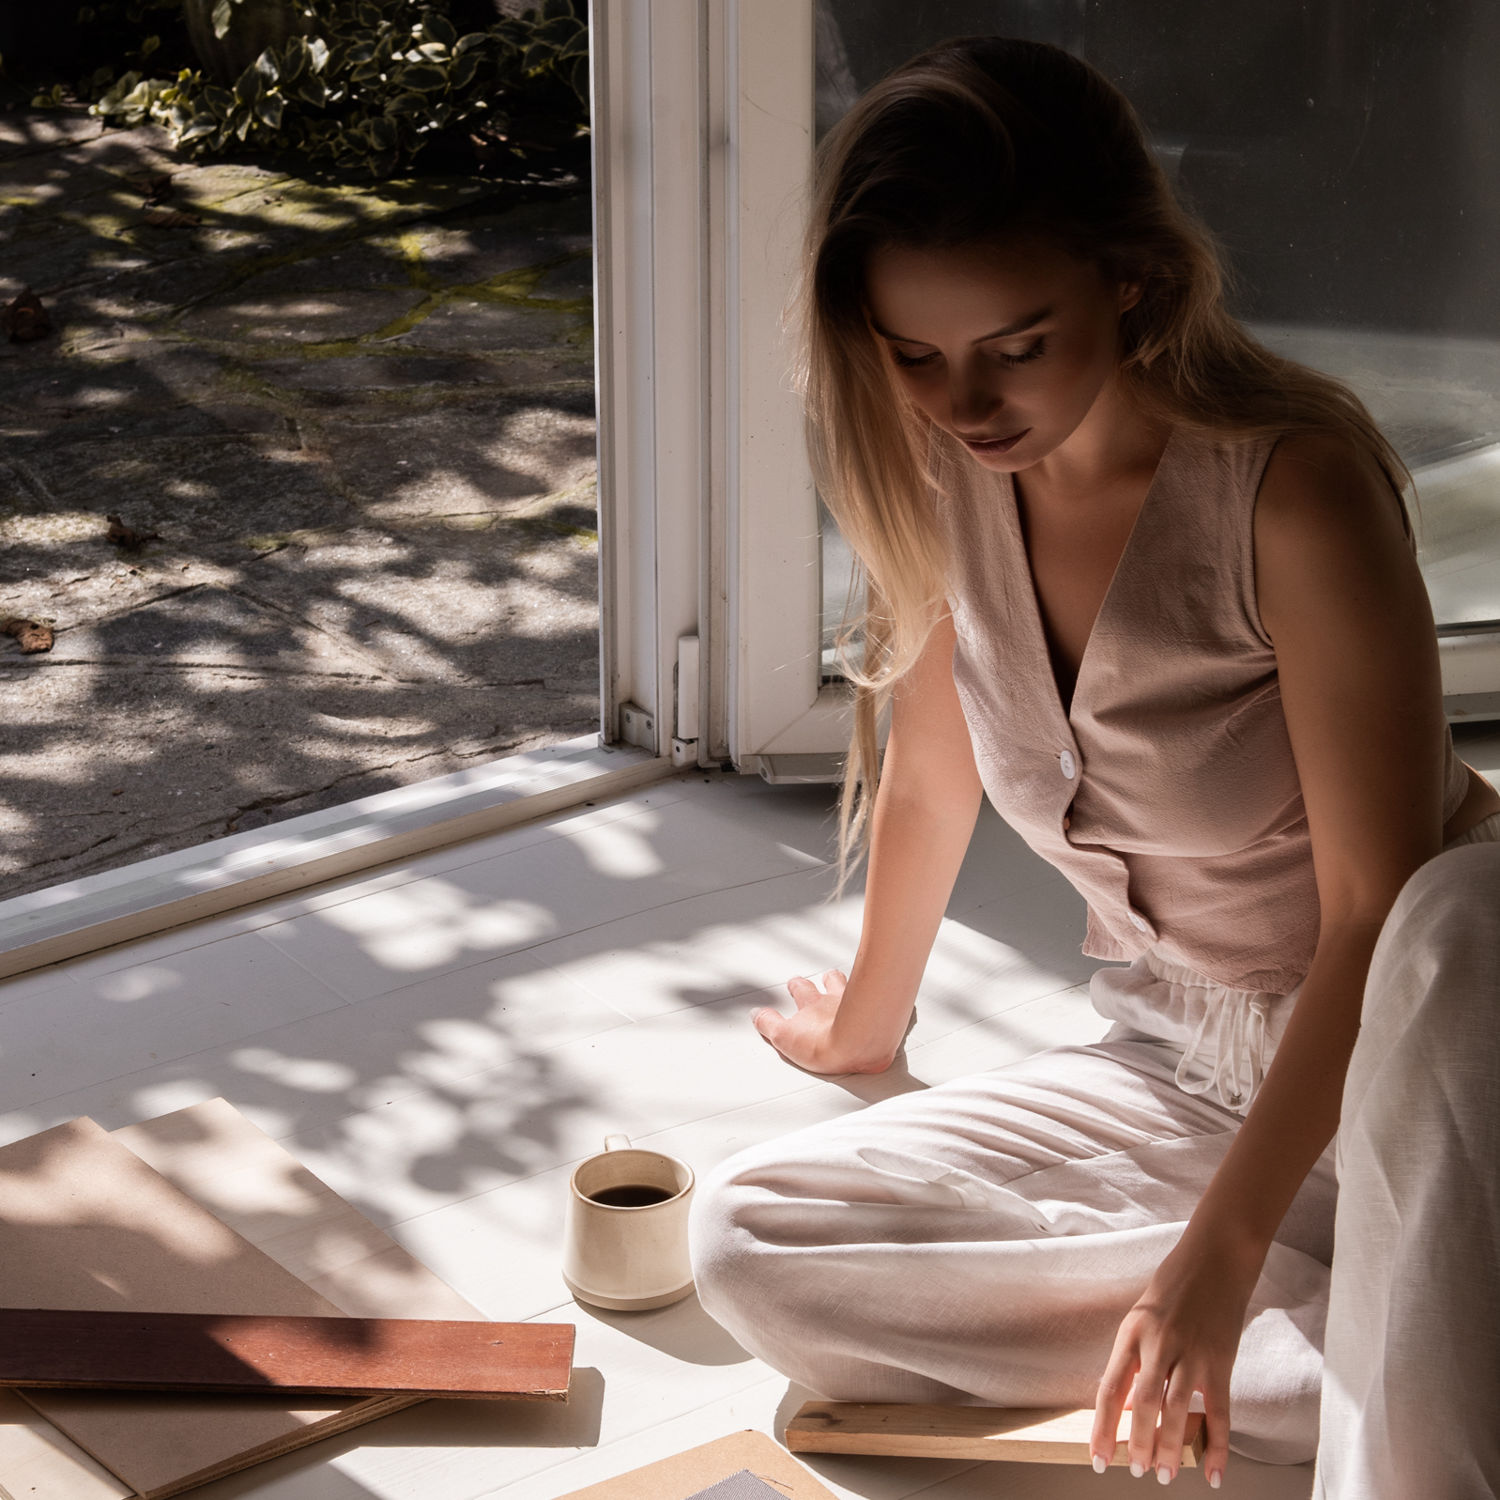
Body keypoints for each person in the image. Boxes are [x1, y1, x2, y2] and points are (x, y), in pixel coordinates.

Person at [686, 35, 1500, 1497]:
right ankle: (1375, 1353)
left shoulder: (1293, 487)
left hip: (1419, 1059)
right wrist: (867, 1029)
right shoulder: (951, 476)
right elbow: (934, 778)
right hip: (1176, 1063)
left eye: (1017, 344)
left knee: (1463, 920)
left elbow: (1379, 908)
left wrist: (1217, 1252)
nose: (967, 400)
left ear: (1132, 275)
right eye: (917, 356)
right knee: (746, 1237)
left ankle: (1361, 1357)